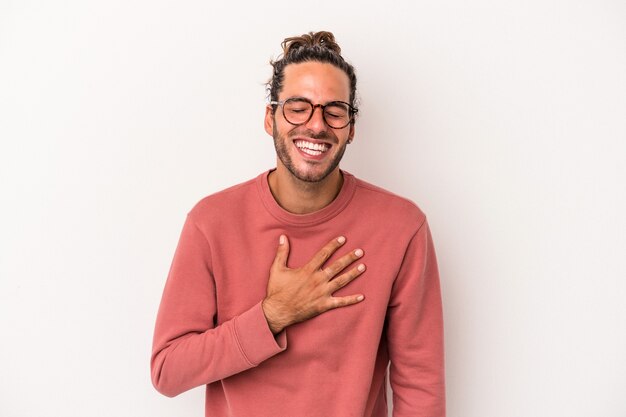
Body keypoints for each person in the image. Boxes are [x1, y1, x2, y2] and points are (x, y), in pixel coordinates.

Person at [151, 31, 445, 417]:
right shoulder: (211, 222)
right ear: (270, 119)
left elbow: (419, 387)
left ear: (351, 128)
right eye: (298, 107)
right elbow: (168, 371)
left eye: (334, 110)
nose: (317, 125)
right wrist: (274, 314)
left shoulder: (402, 227)